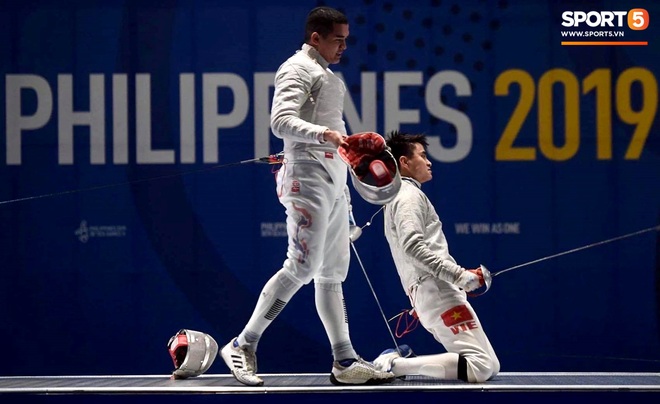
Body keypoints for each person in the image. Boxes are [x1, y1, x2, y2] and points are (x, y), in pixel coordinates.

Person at [220, 6, 395, 387]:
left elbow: (338, 133)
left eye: (347, 39)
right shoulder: (297, 68)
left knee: (332, 274)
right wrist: (324, 136)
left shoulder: (327, 76)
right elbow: (280, 120)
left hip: (331, 179)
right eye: (337, 39)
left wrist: (346, 200)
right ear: (315, 37)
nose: (344, 46)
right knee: (301, 266)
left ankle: (344, 361)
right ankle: (241, 344)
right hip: (306, 176)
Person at [372, 131, 500, 383]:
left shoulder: (402, 196)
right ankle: (392, 365)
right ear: (404, 163)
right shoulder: (408, 196)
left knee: (490, 365)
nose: (429, 161)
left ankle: (395, 363)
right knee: (480, 366)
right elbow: (413, 247)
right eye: (422, 155)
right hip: (437, 290)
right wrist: (460, 275)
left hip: (433, 291)